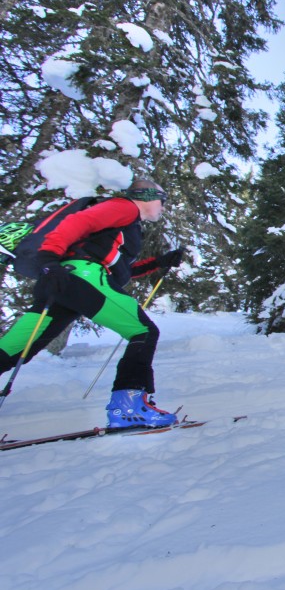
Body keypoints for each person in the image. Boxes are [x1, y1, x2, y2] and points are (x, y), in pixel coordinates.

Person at [0, 179, 184, 428]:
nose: (163, 207)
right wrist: (48, 257)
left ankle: (129, 407)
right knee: (142, 331)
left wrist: (158, 262)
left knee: (16, 347)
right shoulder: (125, 207)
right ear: (148, 197)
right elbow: (78, 222)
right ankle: (128, 408)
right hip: (81, 276)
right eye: (162, 201)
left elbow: (119, 269)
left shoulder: (123, 226)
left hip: (61, 282)